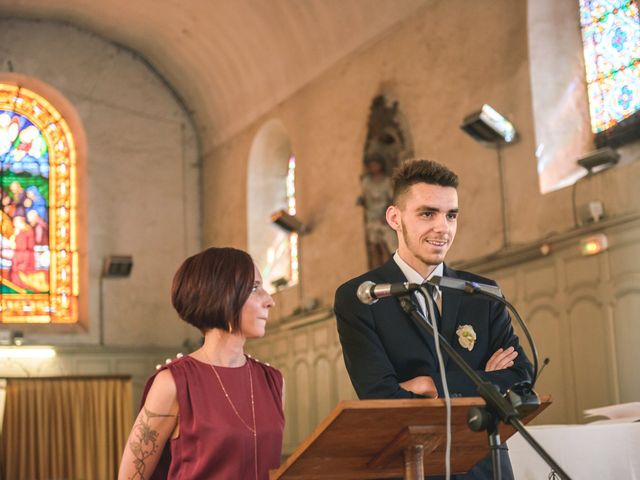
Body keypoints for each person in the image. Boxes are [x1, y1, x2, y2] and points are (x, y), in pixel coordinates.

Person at [334, 159, 533, 479]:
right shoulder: (361, 296)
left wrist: (429, 385)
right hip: (412, 468)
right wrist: (483, 380)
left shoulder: (482, 292)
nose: (443, 227)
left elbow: (521, 376)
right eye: (427, 213)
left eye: (451, 215)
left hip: (485, 467)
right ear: (394, 218)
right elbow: (381, 397)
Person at [118, 247, 285, 480]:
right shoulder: (174, 382)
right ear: (221, 294)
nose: (269, 300)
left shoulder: (273, 381)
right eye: (254, 288)